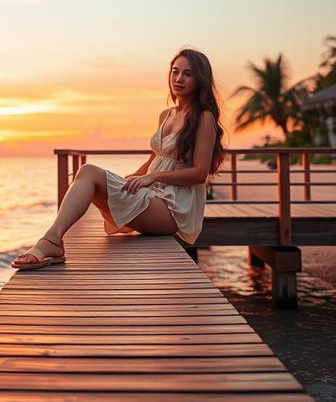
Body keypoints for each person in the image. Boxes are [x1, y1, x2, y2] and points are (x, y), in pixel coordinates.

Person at [12, 48, 225, 269]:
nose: (179, 79)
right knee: (89, 175)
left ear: (200, 79)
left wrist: (152, 177)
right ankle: (52, 240)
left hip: (174, 208)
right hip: (153, 196)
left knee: (89, 172)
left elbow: (200, 174)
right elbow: (156, 158)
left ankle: (51, 242)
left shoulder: (203, 117)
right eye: (175, 72)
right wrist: (131, 178)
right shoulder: (166, 115)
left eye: (188, 74)